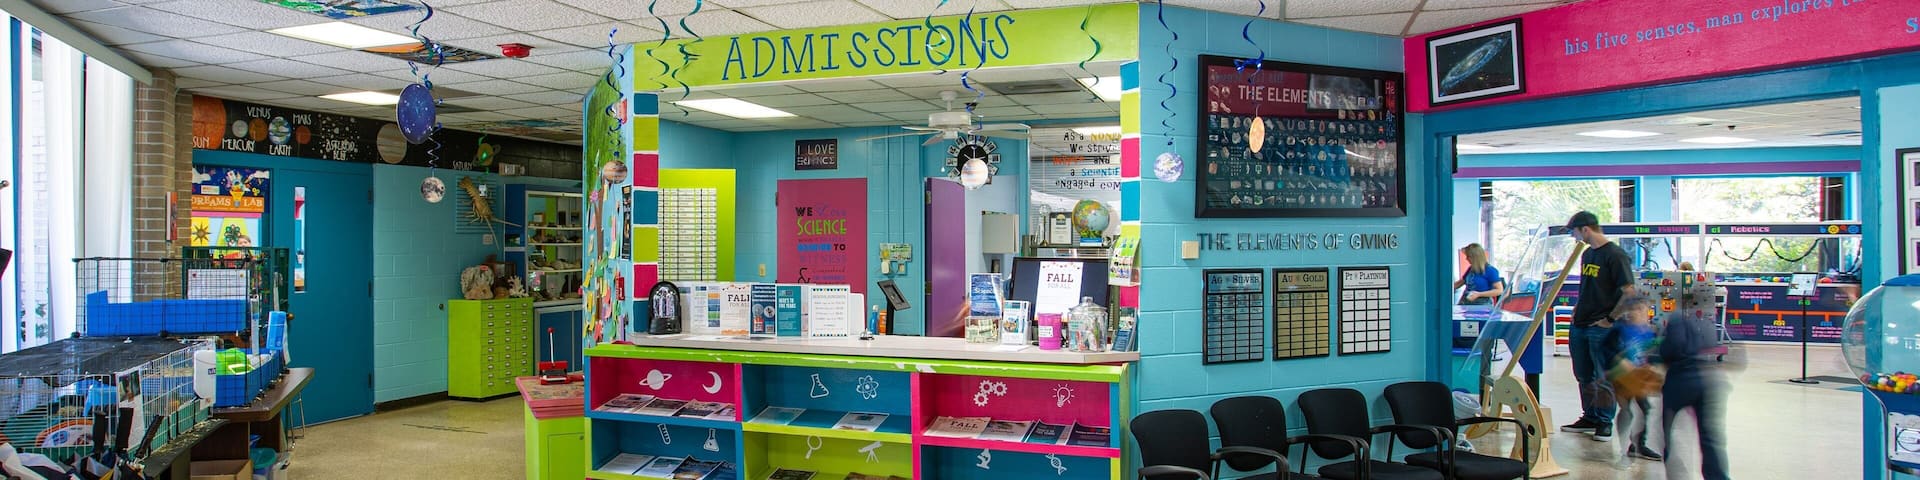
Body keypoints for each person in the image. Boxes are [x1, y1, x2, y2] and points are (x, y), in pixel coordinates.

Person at [1561, 211, 1635, 442]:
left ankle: (1604, 421)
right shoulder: (1587, 255)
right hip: (1581, 324)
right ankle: (1590, 416)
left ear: (1585, 229)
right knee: (1583, 375)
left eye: (1574, 232)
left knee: (1603, 376)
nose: (1574, 238)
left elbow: (1629, 293)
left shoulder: (1615, 255)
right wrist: (1576, 309)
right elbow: (1588, 287)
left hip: (1601, 327)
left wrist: (1609, 319)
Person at [1658, 300, 1730, 480]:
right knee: (1709, 436)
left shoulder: (1675, 320)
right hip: (1707, 381)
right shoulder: (1707, 323)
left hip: (1679, 381)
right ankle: (1717, 476)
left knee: (1667, 433)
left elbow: (1670, 349)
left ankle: (1675, 473)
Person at [1607, 293, 1664, 461]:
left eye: (1640, 309)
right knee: (1627, 410)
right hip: (1622, 377)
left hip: (1639, 377)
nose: (1636, 313)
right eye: (1632, 309)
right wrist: (1618, 361)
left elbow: (1656, 353)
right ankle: (1624, 445)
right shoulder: (1619, 330)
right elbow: (1607, 351)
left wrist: (1653, 365)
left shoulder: (1652, 331)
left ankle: (1638, 444)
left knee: (1645, 408)